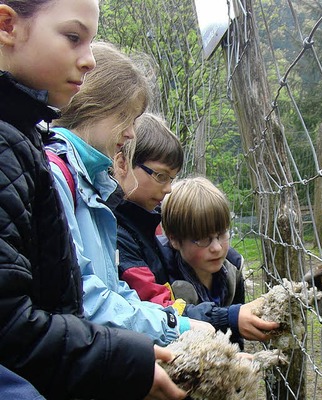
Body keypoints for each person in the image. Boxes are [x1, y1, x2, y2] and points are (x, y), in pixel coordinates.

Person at [0, 1, 186, 399]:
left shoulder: (28, 146)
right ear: (8, 25)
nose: (87, 60)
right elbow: (64, 305)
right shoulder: (46, 165)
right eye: (73, 37)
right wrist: (163, 336)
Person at [46, 41, 212, 347]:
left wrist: (176, 323)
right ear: (96, 103)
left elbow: (112, 290)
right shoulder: (57, 178)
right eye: (127, 116)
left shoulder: (90, 185)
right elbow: (87, 301)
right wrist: (178, 329)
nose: (132, 133)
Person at [113, 113, 279, 348]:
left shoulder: (232, 266)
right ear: (122, 163)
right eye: (161, 176)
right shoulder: (119, 230)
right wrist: (228, 318)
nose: (169, 189)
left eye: (172, 178)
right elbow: (156, 305)